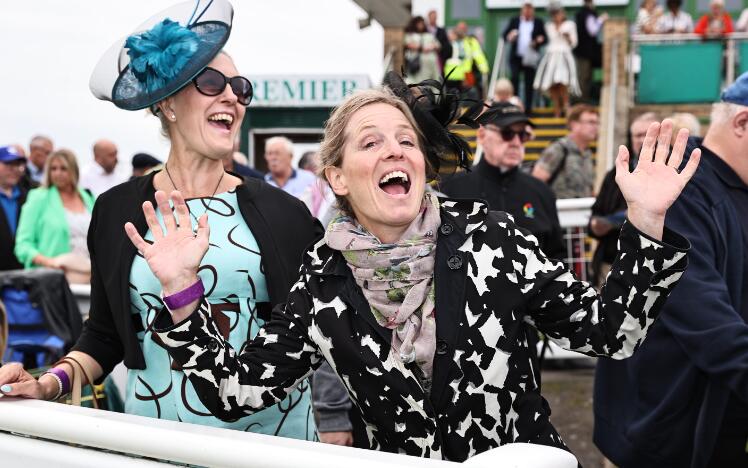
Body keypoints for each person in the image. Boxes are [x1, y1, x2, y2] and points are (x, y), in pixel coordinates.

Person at [69, 69, 703, 461]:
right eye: (370, 142)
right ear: (338, 177)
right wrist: (180, 289)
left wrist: (644, 225)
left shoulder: (487, 236)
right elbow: (233, 394)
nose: (395, 150)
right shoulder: (323, 281)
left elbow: (611, 331)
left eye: (405, 140)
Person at [0, 0, 350, 444]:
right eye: (211, 81)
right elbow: (105, 333)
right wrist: (48, 383)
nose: (232, 96)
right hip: (156, 441)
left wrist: (336, 421)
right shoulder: (115, 210)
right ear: (166, 102)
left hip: (269, 444)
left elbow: (317, 330)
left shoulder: (285, 213)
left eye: (240, 87)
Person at [593, 72, 748, 468]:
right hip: (662, 431)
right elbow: (704, 318)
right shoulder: (677, 185)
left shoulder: (735, 189)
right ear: (742, 124)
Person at [441, 102, 564, 260]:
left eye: (522, 135)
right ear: (482, 135)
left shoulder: (542, 192)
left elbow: (557, 256)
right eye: (507, 133)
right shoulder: (451, 190)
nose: (516, 142)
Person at [588, 112, 657, 287]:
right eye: (637, 135)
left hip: (652, 266)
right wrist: (596, 226)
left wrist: (615, 221)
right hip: (611, 263)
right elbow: (596, 213)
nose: (642, 140)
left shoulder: (670, 175)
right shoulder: (615, 174)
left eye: (647, 135)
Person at [14, 149, 95, 284]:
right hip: (50, 279)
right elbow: (23, 245)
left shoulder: (87, 197)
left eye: (63, 168)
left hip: (88, 277)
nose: (58, 173)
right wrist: (48, 262)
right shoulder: (38, 197)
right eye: (53, 169)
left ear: (74, 170)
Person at [532, 104, 599, 198]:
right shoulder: (559, 149)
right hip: (558, 209)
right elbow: (535, 183)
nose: (595, 127)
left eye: (597, 123)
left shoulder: (587, 154)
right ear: (574, 124)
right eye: (591, 122)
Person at [534, 2, 580, 118]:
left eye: (558, 13)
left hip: (564, 56)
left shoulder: (570, 25)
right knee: (552, 84)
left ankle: (566, 106)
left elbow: (574, 43)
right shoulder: (548, 26)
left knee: (562, 81)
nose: (556, 15)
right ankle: (557, 109)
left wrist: (567, 36)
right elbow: (546, 41)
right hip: (551, 57)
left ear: (563, 13)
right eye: (553, 13)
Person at [502, 1, 547, 112]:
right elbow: (504, 35)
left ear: (533, 11)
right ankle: (515, 106)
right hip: (516, 57)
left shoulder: (538, 22)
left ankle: (527, 109)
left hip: (530, 58)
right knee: (515, 79)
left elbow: (545, 38)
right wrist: (510, 36)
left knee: (529, 82)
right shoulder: (515, 20)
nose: (527, 12)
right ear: (522, 10)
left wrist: (538, 40)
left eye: (529, 9)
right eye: (525, 9)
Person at [0, 146, 30, 271]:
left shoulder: (29, 197)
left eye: (18, 165)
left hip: (23, 274)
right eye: (8, 165)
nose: (14, 170)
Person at [444, 22, 489, 99]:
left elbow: (478, 56)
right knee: (452, 96)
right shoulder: (450, 43)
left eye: (463, 28)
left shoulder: (471, 41)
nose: (461, 30)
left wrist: (484, 69)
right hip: (452, 75)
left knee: (470, 95)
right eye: (460, 28)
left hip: (468, 73)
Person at [573, 0, 607, 102]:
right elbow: (592, 31)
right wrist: (601, 20)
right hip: (584, 52)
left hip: (587, 53)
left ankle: (584, 100)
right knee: (583, 77)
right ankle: (581, 101)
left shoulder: (583, 13)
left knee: (587, 77)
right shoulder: (586, 14)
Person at [403, 16, 441, 84]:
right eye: (419, 24)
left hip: (431, 62)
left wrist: (432, 47)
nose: (420, 26)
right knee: (417, 82)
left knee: (433, 80)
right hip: (418, 64)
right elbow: (409, 45)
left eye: (422, 24)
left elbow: (438, 46)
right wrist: (422, 48)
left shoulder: (429, 35)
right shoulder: (411, 35)